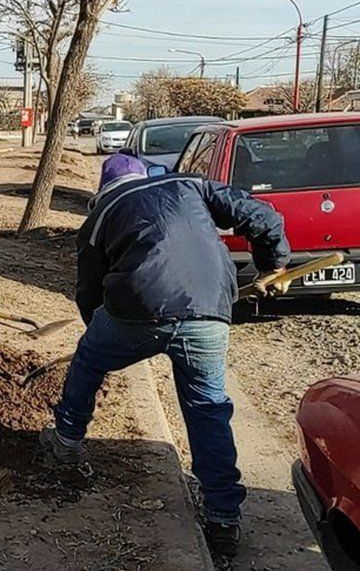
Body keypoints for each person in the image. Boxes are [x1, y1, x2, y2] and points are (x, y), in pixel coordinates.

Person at [40, 153, 291, 558]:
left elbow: (88, 291)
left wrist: (102, 334)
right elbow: (262, 216)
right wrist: (272, 266)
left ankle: (67, 440)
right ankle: (224, 515)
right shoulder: (191, 185)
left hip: (137, 309)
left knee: (87, 359)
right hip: (209, 310)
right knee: (207, 407)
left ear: (104, 188)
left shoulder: (100, 215)